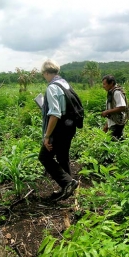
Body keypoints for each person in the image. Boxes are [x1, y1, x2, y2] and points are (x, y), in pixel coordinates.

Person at [38, 59, 78, 201]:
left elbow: (55, 114)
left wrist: (47, 136)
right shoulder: (65, 83)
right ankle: (68, 188)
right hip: (69, 127)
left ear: (46, 72)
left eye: (43, 74)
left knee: (44, 157)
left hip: (58, 129)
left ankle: (67, 183)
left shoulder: (52, 87)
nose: (44, 76)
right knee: (62, 156)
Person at [101, 75, 127, 140]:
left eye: (104, 84)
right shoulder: (111, 93)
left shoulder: (117, 93)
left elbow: (122, 107)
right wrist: (107, 125)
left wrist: (107, 112)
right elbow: (111, 110)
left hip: (117, 124)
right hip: (113, 123)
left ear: (111, 83)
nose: (103, 86)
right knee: (118, 142)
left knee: (113, 143)